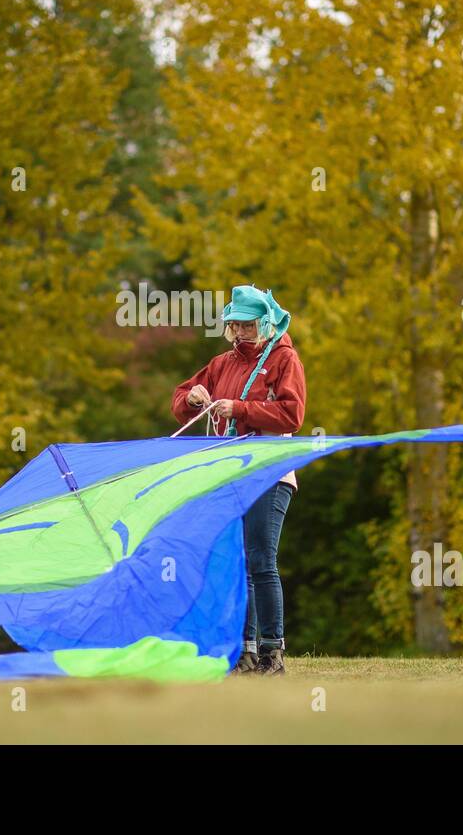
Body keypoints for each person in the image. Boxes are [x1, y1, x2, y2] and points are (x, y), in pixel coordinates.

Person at [171, 285, 307, 676]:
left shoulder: (285, 359)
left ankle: (272, 654)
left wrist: (240, 408)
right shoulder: (220, 364)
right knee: (237, 562)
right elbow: (179, 401)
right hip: (227, 474)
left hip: (269, 471)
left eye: (248, 326)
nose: (240, 333)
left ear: (265, 323)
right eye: (235, 326)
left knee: (262, 560)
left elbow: (292, 415)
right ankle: (243, 654)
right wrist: (194, 398)